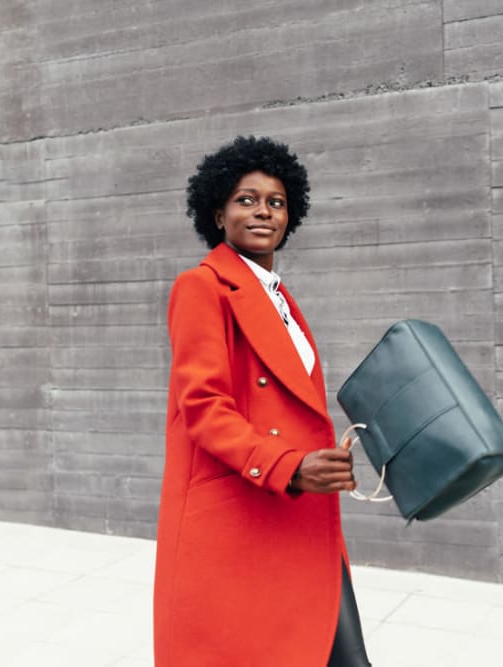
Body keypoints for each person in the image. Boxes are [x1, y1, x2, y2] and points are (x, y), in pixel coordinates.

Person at [154, 136, 372, 666]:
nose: (262, 212)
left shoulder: (279, 298)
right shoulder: (202, 287)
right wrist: (290, 467)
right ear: (218, 213)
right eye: (246, 200)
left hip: (298, 515)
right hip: (248, 511)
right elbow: (204, 406)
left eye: (276, 202)